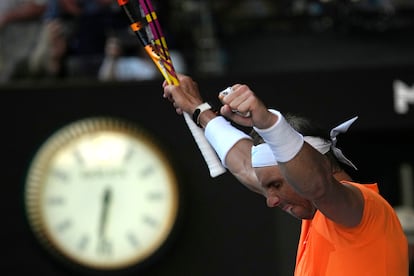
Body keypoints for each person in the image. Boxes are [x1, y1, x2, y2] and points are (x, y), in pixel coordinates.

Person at [162, 74, 409, 275]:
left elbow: (316, 186)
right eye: (268, 187)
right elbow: (247, 165)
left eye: (277, 184)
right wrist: (198, 109)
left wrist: (268, 122)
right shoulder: (318, 211)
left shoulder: (362, 207)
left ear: (319, 165)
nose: (271, 200)